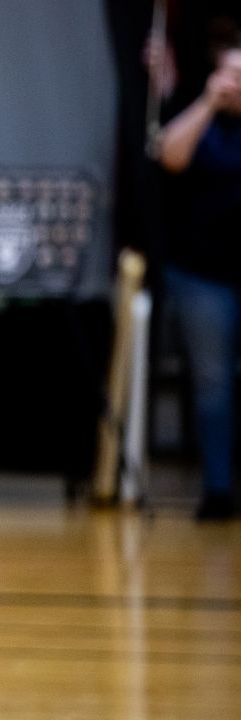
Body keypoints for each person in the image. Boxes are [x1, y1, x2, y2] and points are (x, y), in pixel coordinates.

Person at [155, 20, 241, 521]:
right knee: (212, 382)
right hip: (202, 272)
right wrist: (210, 102)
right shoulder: (200, 116)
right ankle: (217, 488)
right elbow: (169, 154)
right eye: (228, 71)